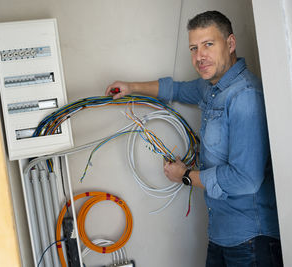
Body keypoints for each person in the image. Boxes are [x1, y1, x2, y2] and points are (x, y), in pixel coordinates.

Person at [105, 10, 282, 267]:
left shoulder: (244, 96)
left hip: (251, 240)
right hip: (221, 235)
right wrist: (131, 87)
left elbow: (245, 180)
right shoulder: (209, 88)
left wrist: (185, 175)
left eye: (208, 44)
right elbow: (175, 89)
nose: (199, 56)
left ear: (230, 44)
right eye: (193, 48)